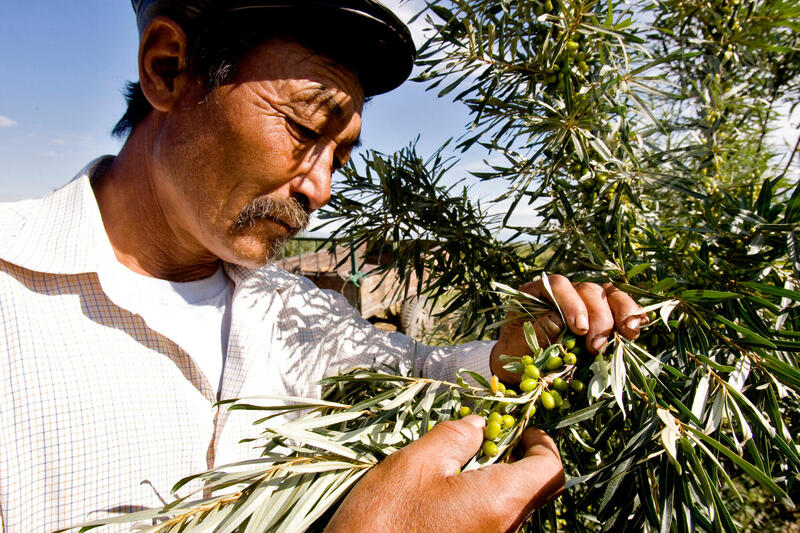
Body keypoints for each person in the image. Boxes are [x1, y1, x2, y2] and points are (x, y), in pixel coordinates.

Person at [0, 1, 645, 531]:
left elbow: (421, 372)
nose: (321, 188)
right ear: (169, 68)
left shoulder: (292, 309)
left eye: (339, 152)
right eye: (306, 127)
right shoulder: (12, 299)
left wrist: (509, 353)